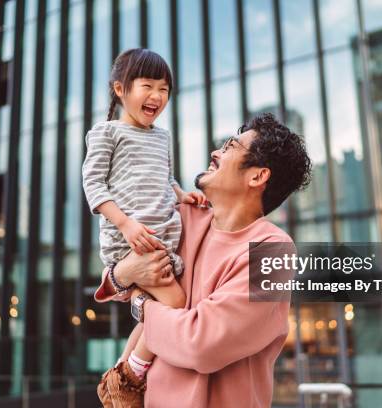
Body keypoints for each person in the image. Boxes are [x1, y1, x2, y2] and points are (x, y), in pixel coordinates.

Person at [94, 113, 312, 407]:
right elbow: (116, 279)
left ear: (257, 176)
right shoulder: (182, 219)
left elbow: (200, 343)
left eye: (230, 147)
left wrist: (142, 304)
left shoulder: (274, 251)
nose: (215, 152)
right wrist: (126, 272)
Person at [81, 48, 207, 407]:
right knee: (177, 303)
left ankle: (121, 371)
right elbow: (93, 185)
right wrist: (125, 223)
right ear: (120, 89)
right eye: (147, 86)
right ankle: (132, 374)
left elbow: (163, 178)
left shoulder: (162, 137)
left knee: (157, 307)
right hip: (131, 242)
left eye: (164, 89)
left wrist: (183, 195)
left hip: (158, 239)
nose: (156, 96)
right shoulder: (106, 132)